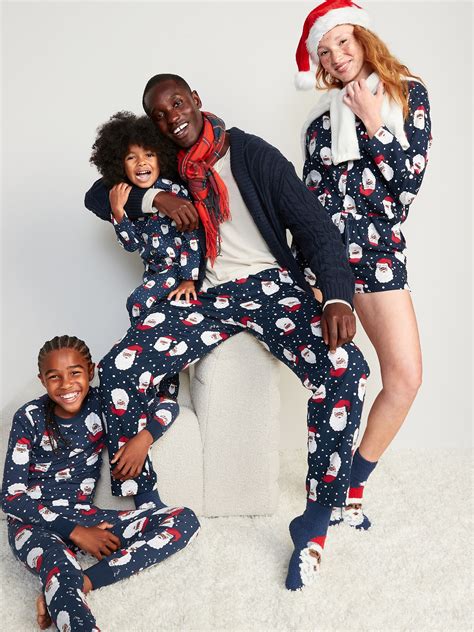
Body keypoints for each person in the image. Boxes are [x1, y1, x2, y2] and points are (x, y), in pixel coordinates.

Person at [85, 73, 370, 591]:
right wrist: (156, 201)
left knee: (345, 369)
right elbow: (95, 193)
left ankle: (316, 517)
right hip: (204, 296)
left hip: (268, 285)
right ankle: (140, 498)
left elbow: (314, 226)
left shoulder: (251, 153)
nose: (173, 116)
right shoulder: (165, 161)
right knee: (121, 370)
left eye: (178, 103)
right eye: (161, 113)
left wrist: (335, 296)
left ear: (195, 100)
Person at [294, 0, 431, 529]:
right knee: (338, 379)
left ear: (364, 39)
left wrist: (374, 124)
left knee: (405, 377)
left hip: (378, 257)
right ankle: (323, 501)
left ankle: (352, 484)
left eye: (343, 43)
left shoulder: (405, 95)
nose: (336, 57)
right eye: (325, 53)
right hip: (324, 264)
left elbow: (407, 188)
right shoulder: (316, 127)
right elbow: (307, 202)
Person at [1, 335, 200, 631]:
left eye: (75, 373)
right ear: (42, 380)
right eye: (54, 377)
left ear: (91, 371)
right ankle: (66, 586)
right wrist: (77, 532)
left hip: (86, 516)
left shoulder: (105, 403)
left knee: (183, 520)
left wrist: (143, 440)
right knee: (61, 568)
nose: (66, 385)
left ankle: (84, 581)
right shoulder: (29, 417)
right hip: (33, 525)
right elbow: (11, 498)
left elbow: (166, 404)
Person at [89, 112, 202, 506]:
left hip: (176, 284)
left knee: (155, 384)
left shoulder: (176, 191)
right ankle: (142, 490)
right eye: (132, 157)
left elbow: (193, 236)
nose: (141, 163)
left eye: (149, 154)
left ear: (163, 158)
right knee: (135, 314)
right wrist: (120, 214)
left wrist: (189, 279)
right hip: (151, 285)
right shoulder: (137, 199)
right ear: (119, 162)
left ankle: (157, 402)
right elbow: (134, 244)